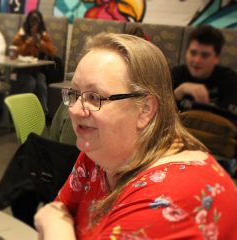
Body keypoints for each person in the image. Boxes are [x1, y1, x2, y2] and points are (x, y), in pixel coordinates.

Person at [34, 33, 237, 239]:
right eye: (74, 93)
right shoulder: (101, 151)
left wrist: (54, 222)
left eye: (95, 97)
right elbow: (59, 207)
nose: (76, 110)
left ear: (145, 109)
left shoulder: (168, 199)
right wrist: (55, 218)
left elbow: (54, 214)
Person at [172, 25, 237, 116]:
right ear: (186, 52)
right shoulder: (176, 74)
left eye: (205, 55)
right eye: (193, 53)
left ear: (216, 58)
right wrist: (179, 91)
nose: (197, 60)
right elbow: (158, 112)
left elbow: (231, 120)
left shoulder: (229, 79)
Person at [11, 10, 57, 114]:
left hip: (38, 69)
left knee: (41, 83)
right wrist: (29, 41)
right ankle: (24, 112)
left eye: (37, 21)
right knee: (30, 83)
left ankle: (43, 112)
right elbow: (16, 51)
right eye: (32, 21)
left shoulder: (43, 34)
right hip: (22, 69)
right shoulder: (22, 33)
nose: (34, 23)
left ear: (40, 22)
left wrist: (39, 42)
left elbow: (52, 51)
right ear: (28, 21)